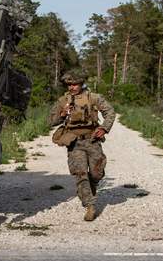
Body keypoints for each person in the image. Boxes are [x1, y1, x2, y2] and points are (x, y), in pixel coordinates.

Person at [49, 70, 115, 221]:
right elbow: (50, 121)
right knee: (80, 173)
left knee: (96, 173)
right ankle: (90, 205)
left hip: (92, 140)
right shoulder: (63, 101)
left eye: (75, 84)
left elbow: (110, 112)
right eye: (69, 84)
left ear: (81, 83)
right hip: (74, 141)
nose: (72, 87)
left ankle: (90, 189)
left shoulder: (93, 97)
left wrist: (104, 128)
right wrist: (62, 115)